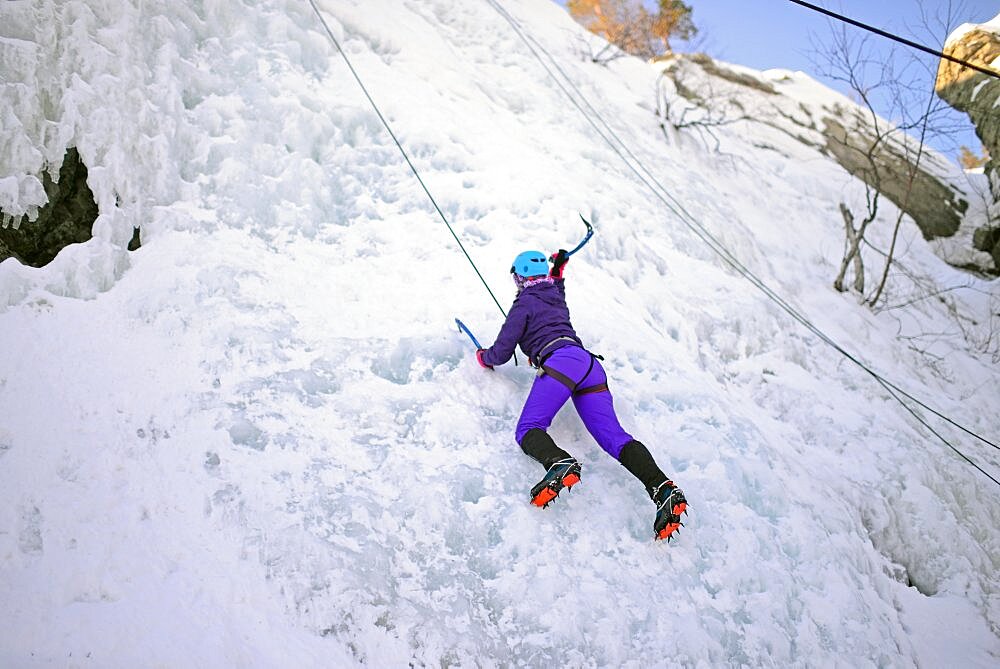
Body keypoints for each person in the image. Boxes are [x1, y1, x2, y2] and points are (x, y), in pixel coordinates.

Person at [475, 248, 688, 541]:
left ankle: (559, 462)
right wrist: (559, 267)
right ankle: (663, 488)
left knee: (528, 429)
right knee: (616, 438)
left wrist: (482, 357)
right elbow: (556, 284)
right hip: (589, 365)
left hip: (560, 363)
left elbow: (500, 353)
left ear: (519, 276)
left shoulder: (523, 304)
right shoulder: (554, 295)